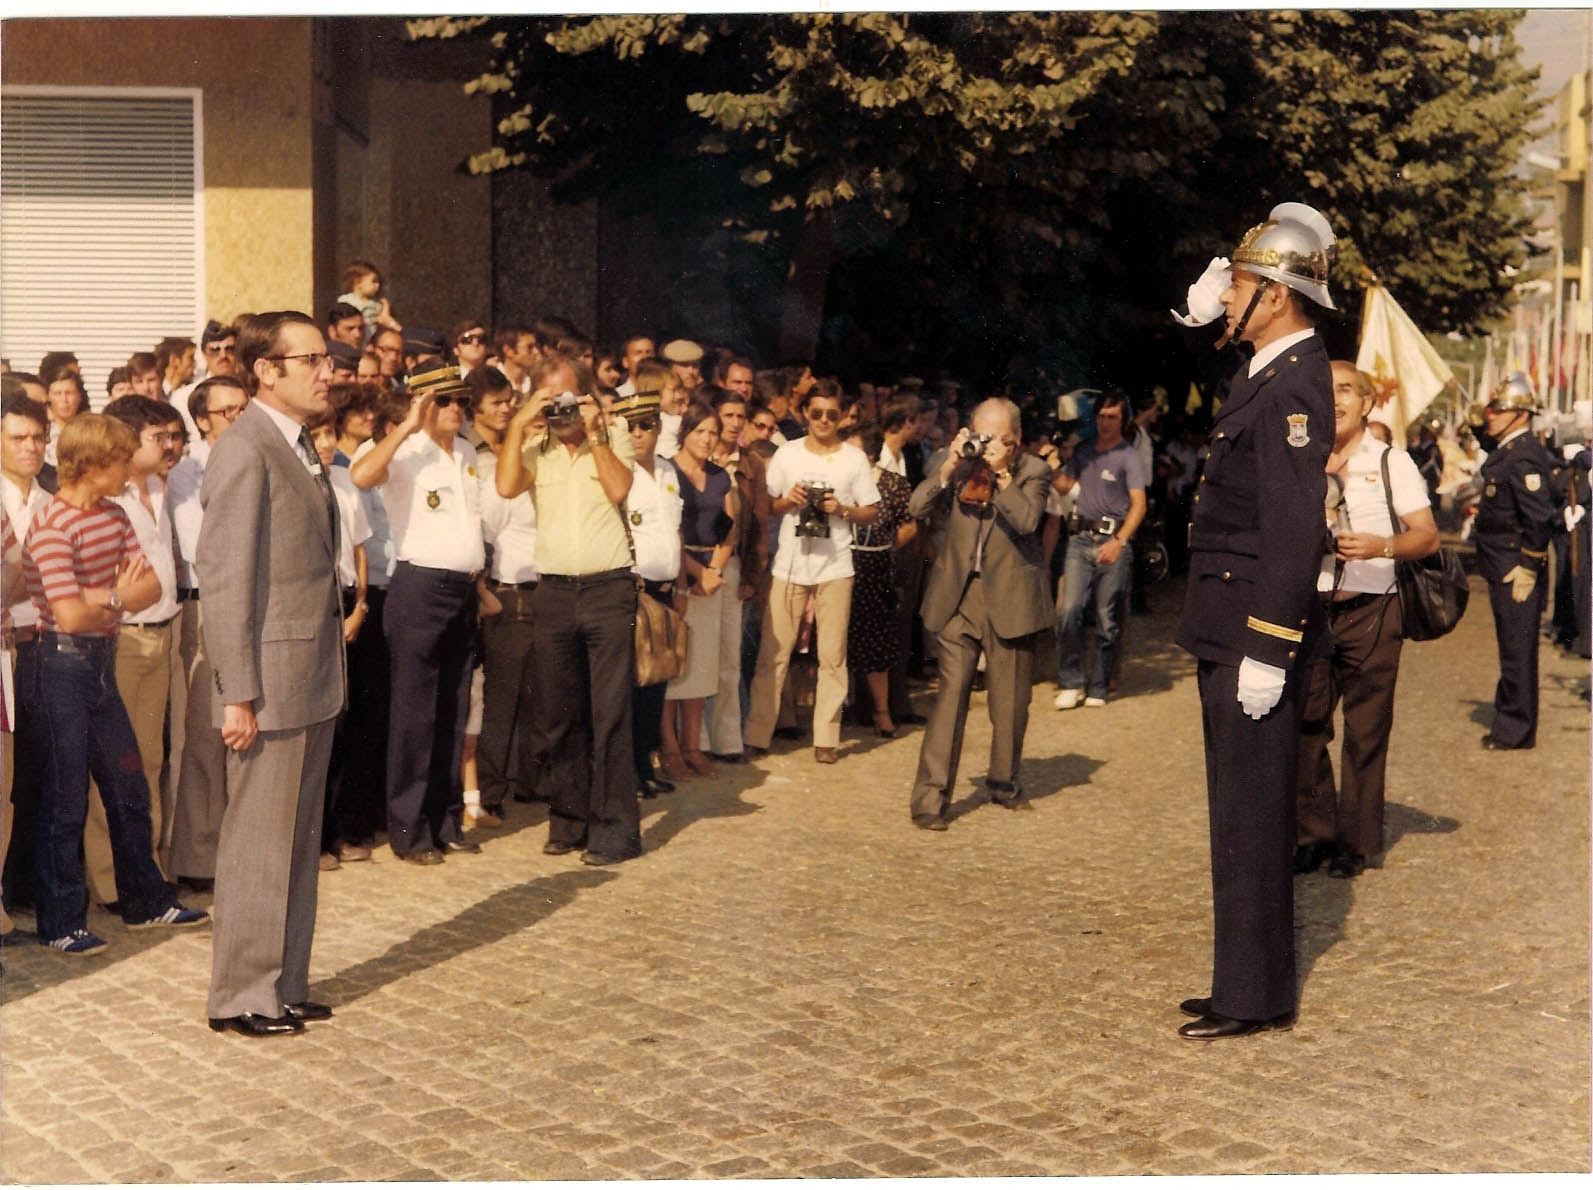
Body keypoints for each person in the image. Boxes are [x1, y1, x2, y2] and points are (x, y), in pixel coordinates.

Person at [1170, 202, 1336, 1040]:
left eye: (1236, 285)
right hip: (1228, 616)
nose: (1224, 296)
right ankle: (1242, 981)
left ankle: (1252, 995)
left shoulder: (1296, 380)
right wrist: (1199, 317)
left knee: (1251, 813)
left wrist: (1270, 646)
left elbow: (1293, 524)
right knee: (1236, 809)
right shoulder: (1268, 369)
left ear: (1275, 295)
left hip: (1251, 627)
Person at [197, 310, 346, 1036]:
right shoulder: (244, 448)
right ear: (265, 370)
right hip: (268, 684)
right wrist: (237, 694)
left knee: (295, 840)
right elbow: (225, 578)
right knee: (258, 842)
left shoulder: (297, 441)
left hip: (309, 674)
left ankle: (283, 982)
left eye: (326, 359)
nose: (327, 372)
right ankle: (240, 997)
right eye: (311, 359)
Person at [20, 414, 207, 956]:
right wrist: (116, 597)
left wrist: (103, 597)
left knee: (128, 788)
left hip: (101, 663)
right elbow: (70, 615)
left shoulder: (113, 513)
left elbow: (152, 586)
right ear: (92, 464)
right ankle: (60, 923)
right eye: (121, 461)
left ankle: (146, 901)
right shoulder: (52, 526)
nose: (129, 469)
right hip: (58, 668)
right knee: (65, 800)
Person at [496, 354, 643, 866]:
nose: (560, 410)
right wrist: (520, 422)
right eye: (549, 399)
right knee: (559, 714)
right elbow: (506, 486)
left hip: (608, 588)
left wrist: (596, 432)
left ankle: (616, 830)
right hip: (554, 592)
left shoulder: (614, 434)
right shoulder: (536, 446)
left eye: (567, 398)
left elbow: (619, 488)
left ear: (587, 397)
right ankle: (569, 821)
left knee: (611, 714)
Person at [1295, 363, 1439, 878]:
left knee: (1365, 730)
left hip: (1373, 610)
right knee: (1305, 724)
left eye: (1345, 390)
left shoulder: (1390, 461)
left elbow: (1427, 535)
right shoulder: (1300, 458)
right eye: (1324, 389)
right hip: (1310, 610)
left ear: (1367, 403)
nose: (1333, 400)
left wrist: (1382, 545)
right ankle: (1312, 835)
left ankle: (1354, 844)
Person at [350, 363, 485, 865]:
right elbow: (362, 475)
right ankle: (410, 832)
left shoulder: (466, 452)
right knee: (415, 713)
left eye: (460, 401)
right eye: (443, 400)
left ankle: (445, 821)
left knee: (452, 707)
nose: (455, 409)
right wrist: (407, 425)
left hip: (463, 589)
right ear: (422, 402)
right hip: (420, 587)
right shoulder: (403, 449)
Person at [905, 399, 1051, 829]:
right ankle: (930, 800)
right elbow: (916, 508)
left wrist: (1003, 475)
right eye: (981, 436)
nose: (987, 447)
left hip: (1011, 598)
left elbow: (1028, 521)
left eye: (999, 439)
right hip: (958, 595)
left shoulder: (1034, 471)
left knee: (1010, 702)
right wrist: (949, 466)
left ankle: (1004, 781)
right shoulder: (954, 462)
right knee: (950, 697)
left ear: (1016, 439)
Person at [743, 386, 880, 765]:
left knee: (833, 657)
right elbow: (766, 504)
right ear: (805, 413)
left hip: (835, 566)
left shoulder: (853, 458)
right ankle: (757, 734)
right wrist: (789, 500)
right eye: (816, 413)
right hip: (790, 564)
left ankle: (827, 738)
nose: (823, 421)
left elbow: (872, 510)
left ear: (842, 417)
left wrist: (843, 510)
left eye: (831, 415)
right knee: (773, 654)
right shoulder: (787, 453)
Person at [166, 376, 249, 891]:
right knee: (205, 735)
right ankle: (199, 858)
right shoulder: (186, 473)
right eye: (227, 411)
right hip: (207, 606)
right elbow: (204, 545)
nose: (239, 418)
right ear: (202, 420)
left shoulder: (260, 460)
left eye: (244, 408)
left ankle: (240, 852)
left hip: (255, 606)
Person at [1471, 372, 1559, 750]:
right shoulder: (1510, 447)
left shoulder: (1524, 455)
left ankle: (1515, 730)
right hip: (1502, 561)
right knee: (1511, 646)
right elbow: (1488, 446)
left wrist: (1529, 566)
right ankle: (1509, 714)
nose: (1491, 416)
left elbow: (1539, 518)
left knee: (1517, 651)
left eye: (1499, 410)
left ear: (1521, 415)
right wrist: (1478, 420)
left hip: (1515, 566)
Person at [470, 366, 541, 824]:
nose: (506, 409)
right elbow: (487, 529)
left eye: (509, 401)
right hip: (506, 591)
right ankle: (491, 789)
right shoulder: (478, 461)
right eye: (496, 402)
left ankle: (532, 782)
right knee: (501, 700)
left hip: (542, 589)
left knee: (539, 697)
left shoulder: (523, 456)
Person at [1051, 390, 1147, 709]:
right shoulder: (1084, 451)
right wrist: (1049, 463)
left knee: (1107, 617)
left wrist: (1120, 541)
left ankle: (1099, 683)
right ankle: (1070, 681)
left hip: (1112, 539)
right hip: (1080, 538)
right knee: (1069, 611)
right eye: (1102, 417)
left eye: (1112, 417)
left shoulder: (1128, 456)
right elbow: (1064, 485)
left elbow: (1139, 504)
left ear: (1122, 420)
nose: (1106, 423)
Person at [660, 403, 738, 779]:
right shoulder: (667, 471)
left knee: (701, 668)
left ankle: (692, 746)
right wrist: (697, 573)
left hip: (711, 575)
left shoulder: (720, 477)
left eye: (713, 433)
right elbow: (667, 531)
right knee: (672, 666)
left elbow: (729, 529)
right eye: (700, 431)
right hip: (677, 572)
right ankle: (669, 747)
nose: (707, 439)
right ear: (685, 433)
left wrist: (715, 570)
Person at [617, 389, 683, 798]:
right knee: (631, 683)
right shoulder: (620, 472)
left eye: (646, 424)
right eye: (631, 426)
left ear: (659, 428)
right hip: (633, 590)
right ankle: (629, 771)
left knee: (655, 681)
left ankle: (645, 763)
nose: (639, 433)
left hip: (665, 589)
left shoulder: (668, 470)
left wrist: (682, 584)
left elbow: (674, 531)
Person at [845, 422, 916, 737]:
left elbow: (909, 525)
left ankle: (882, 711)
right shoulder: (840, 483)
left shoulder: (893, 484)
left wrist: (884, 547)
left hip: (875, 568)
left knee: (876, 642)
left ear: (870, 454)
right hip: (841, 563)